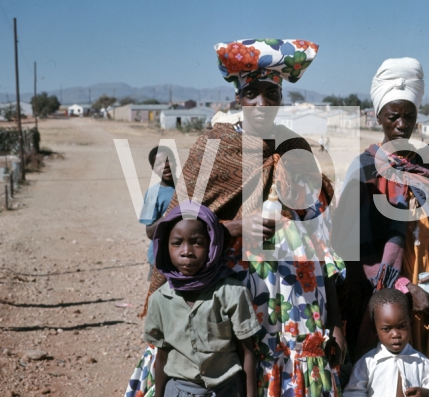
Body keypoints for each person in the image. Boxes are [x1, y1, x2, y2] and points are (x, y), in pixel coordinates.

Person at [140, 39, 346, 397]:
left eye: (271, 93)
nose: (261, 103)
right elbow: (162, 230)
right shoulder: (214, 149)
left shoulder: (296, 150)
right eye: (252, 93)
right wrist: (232, 227)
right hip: (230, 312)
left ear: (281, 98)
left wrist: (337, 321)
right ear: (239, 98)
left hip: (298, 313)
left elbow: (320, 240)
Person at [333, 57, 429, 397]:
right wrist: (407, 288)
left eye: (409, 115)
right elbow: (358, 249)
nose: (402, 124)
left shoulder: (428, 157)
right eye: (394, 116)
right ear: (378, 117)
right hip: (394, 295)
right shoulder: (365, 168)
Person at [144, 202, 261, 396]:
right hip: (179, 391)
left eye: (197, 242)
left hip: (227, 389)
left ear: (212, 245)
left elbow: (247, 352)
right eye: (176, 243)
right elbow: (162, 356)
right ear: (165, 247)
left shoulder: (231, 292)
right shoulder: (159, 300)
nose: (187, 251)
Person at [344, 288, 429, 397]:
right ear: (374, 328)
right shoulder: (367, 364)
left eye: (402, 326)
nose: (395, 334)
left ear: (410, 323)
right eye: (386, 329)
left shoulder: (422, 362)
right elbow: (353, 393)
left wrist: (425, 393)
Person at [140, 146, 176, 280]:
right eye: (159, 164)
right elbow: (150, 232)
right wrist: (169, 214)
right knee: (159, 298)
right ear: (153, 170)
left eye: (168, 160)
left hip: (186, 257)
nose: (165, 166)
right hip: (161, 259)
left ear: (175, 162)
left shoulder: (188, 188)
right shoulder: (153, 194)